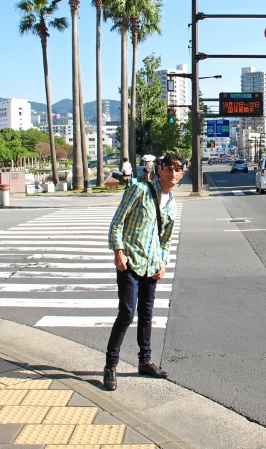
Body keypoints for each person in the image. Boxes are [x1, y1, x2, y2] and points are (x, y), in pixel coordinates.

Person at [103, 152, 184, 391]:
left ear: (182, 175)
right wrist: (118, 250)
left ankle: (145, 361)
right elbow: (118, 221)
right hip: (130, 262)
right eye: (169, 169)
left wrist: (164, 262)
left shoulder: (172, 205)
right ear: (160, 170)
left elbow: (165, 239)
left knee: (147, 315)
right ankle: (110, 365)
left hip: (152, 265)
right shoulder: (140, 190)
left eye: (178, 170)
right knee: (127, 314)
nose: (173, 173)